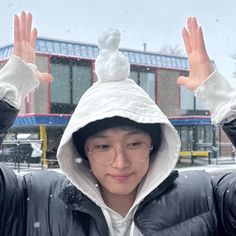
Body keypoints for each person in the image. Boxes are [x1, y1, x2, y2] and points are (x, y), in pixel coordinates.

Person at [0, 12, 236, 236]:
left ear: (154, 144)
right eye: (103, 147)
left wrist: (221, 98)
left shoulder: (205, 198)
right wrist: (11, 85)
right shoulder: (32, 201)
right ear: (83, 150)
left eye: (134, 144)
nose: (120, 162)